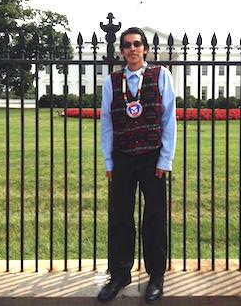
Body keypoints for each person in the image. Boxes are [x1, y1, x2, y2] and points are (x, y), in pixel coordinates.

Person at [98, 27, 176, 303]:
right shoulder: (112, 81)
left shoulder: (160, 76)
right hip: (122, 156)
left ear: (144, 48)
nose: (132, 49)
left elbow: (169, 120)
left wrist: (165, 159)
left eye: (137, 44)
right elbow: (106, 123)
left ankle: (156, 275)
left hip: (152, 156)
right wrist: (109, 159)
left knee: (154, 217)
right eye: (127, 45)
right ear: (122, 51)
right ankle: (120, 273)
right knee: (120, 217)